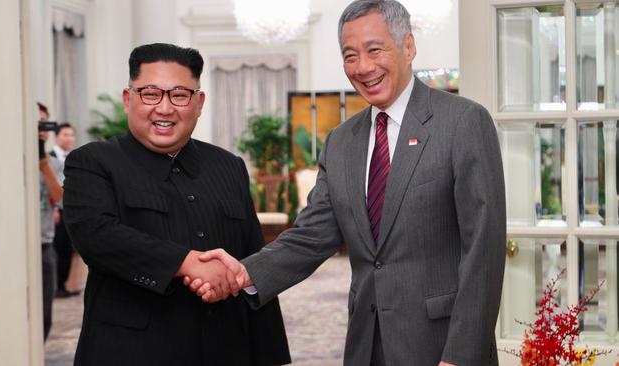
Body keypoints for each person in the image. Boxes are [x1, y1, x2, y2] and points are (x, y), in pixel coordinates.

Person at [188, 1, 506, 365]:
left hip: (440, 346)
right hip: (366, 344)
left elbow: (483, 250)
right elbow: (312, 235)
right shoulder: (341, 141)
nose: (363, 67)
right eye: (350, 55)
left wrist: (461, 357)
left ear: (408, 47)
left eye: (375, 50)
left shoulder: (463, 122)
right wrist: (242, 272)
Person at [62, 43, 290, 366]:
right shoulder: (93, 163)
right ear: (128, 100)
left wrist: (270, 354)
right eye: (150, 93)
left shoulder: (229, 166)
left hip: (225, 349)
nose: (165, 108)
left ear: (198, 103)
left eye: (180, 95)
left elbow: (252, 256)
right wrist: (187, 262)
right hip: (131, 352)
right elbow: (97, 236)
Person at [37, 102, 64, 341]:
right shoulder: (6, 162)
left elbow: (61, 199)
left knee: (44, 312)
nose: (41, 129)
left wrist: (44, 166)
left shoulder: (53, 163)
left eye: (44, 123)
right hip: (15, 246)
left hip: (44, 244)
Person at [50, 123, 80, 298]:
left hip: (70, 210)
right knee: (57, 249)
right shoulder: (47, 158)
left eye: (71, 135)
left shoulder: (76, 157)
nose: (69, 138)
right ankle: (56, 286)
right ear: (56, 136)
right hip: (55, 211)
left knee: (67, 249)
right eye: (65, 135)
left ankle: (62, 286)